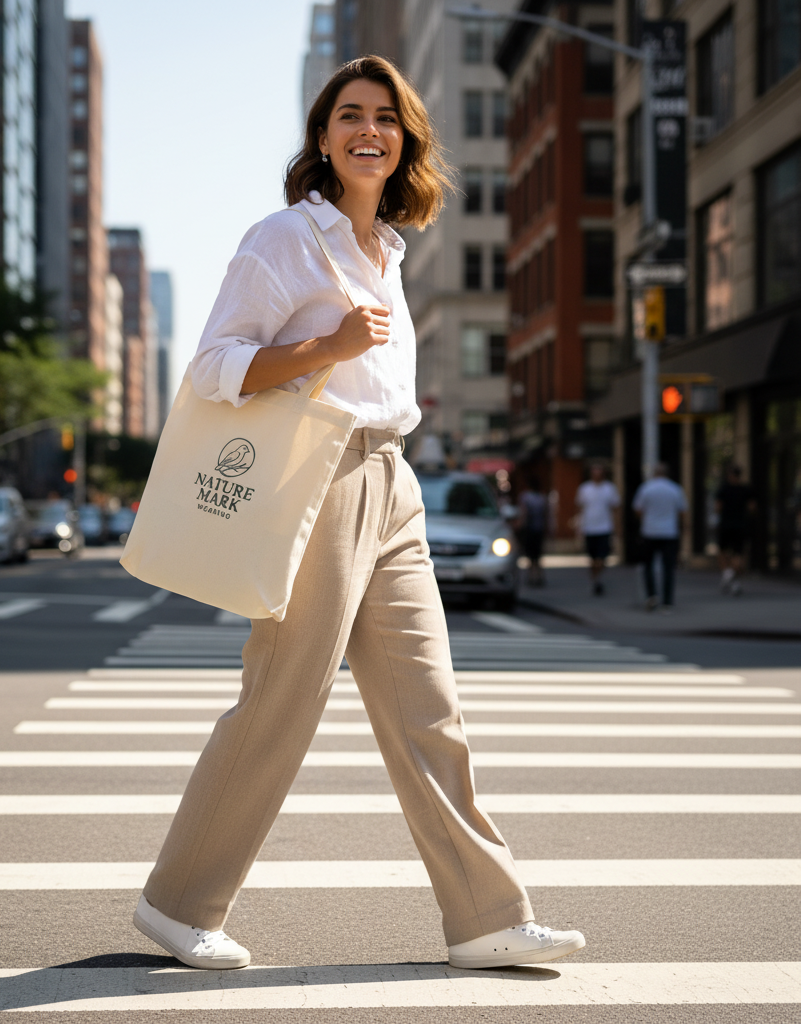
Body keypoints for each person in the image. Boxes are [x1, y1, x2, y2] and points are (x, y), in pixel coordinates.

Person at [132, 57, 584, 973]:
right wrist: (322, 348)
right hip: (319, 474)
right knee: (285, 695)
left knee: (431, 709)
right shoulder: (283, 239)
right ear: (323, 137)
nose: (368, 130)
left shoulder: (390, 249)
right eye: (350, 115)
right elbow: (214, 364)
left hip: (395, 481)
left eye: (385, 117)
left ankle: (485, 916)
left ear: (407, 138)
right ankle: (178, 904)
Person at [632, 463, 687, 611]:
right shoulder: (675, 489)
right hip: (669, 532)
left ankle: (652, 596)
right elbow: (682, 512)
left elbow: (638, 510)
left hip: (649, 532)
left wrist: (646, 520)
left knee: (648, 566)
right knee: (668, 568)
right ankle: (667, 602)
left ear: (654, 474)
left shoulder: (646, 488)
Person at [576, 465, 621, 596]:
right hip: (589, 528)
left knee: (601, 558)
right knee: (592, 558)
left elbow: (616, 508)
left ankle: (597, 579)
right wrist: (578, 526)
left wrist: (617, 527)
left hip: (604, 528)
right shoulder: (585, 489)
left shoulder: (609, 488)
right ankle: (595, 580)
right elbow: (579, 508)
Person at [714, 465, 756, 596]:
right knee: (738, 553)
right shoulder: (745, 490)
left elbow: (717, 508)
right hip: (740, 525)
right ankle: (733, 579)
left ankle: (728, 575)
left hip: (726, 524)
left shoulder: (723, 489)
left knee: (723, 551)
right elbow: (752, 507)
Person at [517, 477, 548, 586]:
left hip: (529, 530)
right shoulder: (542, 498)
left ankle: (531, 576)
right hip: (538, 529)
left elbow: (523, 514)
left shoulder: (525, 497)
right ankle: (539, 576)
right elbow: (546, 515)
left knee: (531, 556)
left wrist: (519, 528)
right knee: (537, 556)